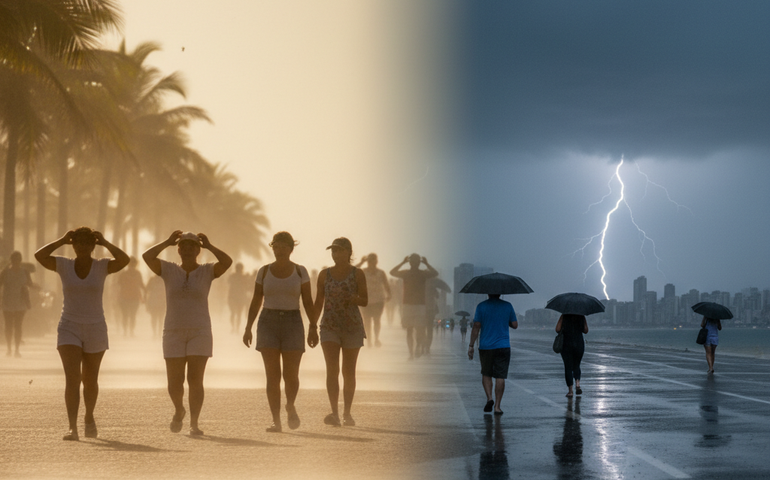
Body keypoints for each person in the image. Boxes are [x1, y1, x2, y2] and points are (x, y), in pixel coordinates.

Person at [34, 227, 130, 440]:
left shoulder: (102, 266)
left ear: (92, 245)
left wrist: (105, 242)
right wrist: (61, 240)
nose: (82, 247)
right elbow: (40, 256)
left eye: (87, 243)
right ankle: (72, 427)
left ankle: (89, 416)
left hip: (96, 327)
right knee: (72, 378)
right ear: (73, 245)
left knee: (90, 379)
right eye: (78, 243)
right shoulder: (64, 265)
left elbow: (124, 260)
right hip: (69, 326)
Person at [142, 230, 232, 436]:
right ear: (179, 250)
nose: (188, 250)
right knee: (174, 382)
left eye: (193, 246)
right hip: (173, 330)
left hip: (200, 331)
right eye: (184, 246)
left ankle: (194, 422)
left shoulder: (207, 271)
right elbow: (147, 257)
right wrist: (166, 241)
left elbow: (227, 261)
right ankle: (178, 409)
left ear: (198, 250)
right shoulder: (168, 269)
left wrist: (210, 246)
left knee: (195, 379)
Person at [242, 232, 315, 433]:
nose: (280, 250)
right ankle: (276, 420)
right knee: (272, 376)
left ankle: (290, 405)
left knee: (291, 375)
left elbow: (308, 301)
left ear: (291, 249)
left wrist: (313, 327)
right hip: (268, 322)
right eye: (276, 246)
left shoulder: (300, 272)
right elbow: (256, 299)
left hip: (293, 321)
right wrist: (248, 327)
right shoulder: (264, 272)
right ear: (272, 248)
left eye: (284, 246)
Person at [314, 237, 367, 427]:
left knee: (348, 371)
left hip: (352, 327)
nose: (336, 254)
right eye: (333, 251)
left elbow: (365, 300)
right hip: (329, 326)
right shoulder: (324, 275)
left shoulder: (357, 274)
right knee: (332, 370)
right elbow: (318, 301)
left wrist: (353, 298)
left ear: (349, 253)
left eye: (340, 251)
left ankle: (347, 412)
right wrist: (312, 325)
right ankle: (334, 412)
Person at [468, 294, 517, 415]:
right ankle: (498, 407)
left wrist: (471, 345)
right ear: (500, 293)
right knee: (500, 376)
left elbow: (476, 326)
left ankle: (490, 398)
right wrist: (506, 320)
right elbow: (515, 325)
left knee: (486, 373)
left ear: (488, 293)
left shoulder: (481, 306)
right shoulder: (508, 306)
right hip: (503, 346)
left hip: (486, 346)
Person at [389, 254, 438, 360]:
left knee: (409, 330)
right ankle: (416, 349)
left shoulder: (406, 273)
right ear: (418, 263)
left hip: (408, 305)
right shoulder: (422, 274)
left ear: (410, 262)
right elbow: (435, 273)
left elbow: (392, 272)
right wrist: (427, 263)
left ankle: (411, 353)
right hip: (419, 305)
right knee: (419, 330)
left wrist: (403, 262)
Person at [1, 251, 35, 357]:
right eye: (14, 260)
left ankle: (16, 349)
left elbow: (29, 283)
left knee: (18, 326)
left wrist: (35, 287)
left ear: (20, 261)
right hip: (7, 302)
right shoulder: (5, 272)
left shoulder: (25, 272)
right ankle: (9, 348)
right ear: (11, 261)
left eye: (18, 260)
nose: (16, 262)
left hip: (21, 302)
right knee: (8, 326)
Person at [355, 253, 391, 347]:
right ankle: (369, 341)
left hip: (378, 300)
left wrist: (389, 294)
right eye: (370, 261)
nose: (372, 263)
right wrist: (361, 262)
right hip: (365, 300)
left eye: (374, 260)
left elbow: (386, 284)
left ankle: (376, 338)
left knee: (377, 320)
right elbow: (351, 272)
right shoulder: (363, 271)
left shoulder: (381, 273)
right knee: (366, 321)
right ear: (368, 262)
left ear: (376, 261)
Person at [555, 314, 589, 398]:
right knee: (577, 365)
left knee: (568, 367)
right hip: (579, 343)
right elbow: (586, 330)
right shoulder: (581, 315)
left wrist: (562, 317)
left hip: (566, 344)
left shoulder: (564, 315)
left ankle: (570, 391)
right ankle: (577, 384)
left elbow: (557, 329)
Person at [117, 257, 145, 337]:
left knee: (132, 316)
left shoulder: (137, 274)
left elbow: (141, 285)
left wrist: (145, 294)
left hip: (134, 298)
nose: (132, 265)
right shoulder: (123, 274)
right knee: (125, 315)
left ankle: (131, 331)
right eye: (131, 264)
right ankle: (126, 331)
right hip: (124, 298)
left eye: (134, 264)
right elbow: (118, 286)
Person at [228, 263, 252, 334]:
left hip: (236, 297)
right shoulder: (241, 277)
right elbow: (247, 287)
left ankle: (235, 328)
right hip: (237, 297)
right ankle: (235, 328)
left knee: (235, 313)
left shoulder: (234, 276)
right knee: (237, 313)